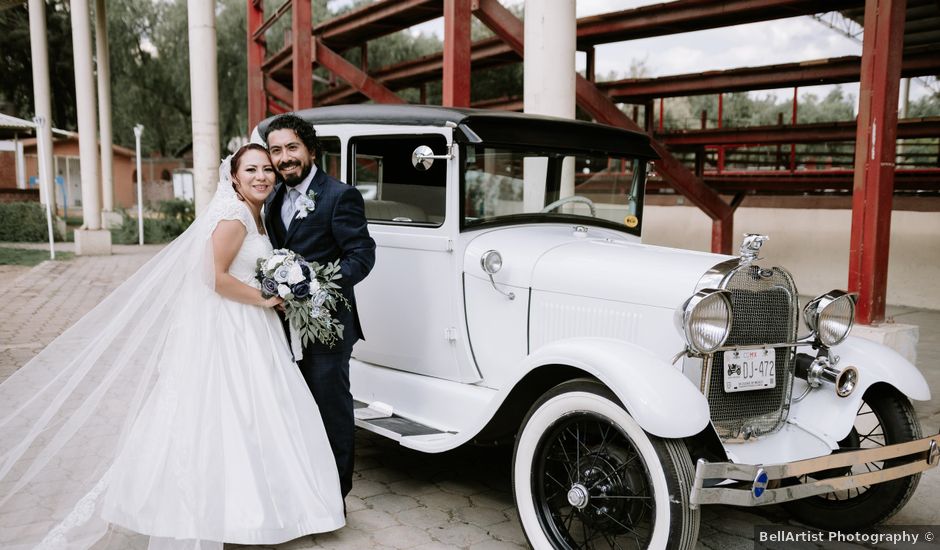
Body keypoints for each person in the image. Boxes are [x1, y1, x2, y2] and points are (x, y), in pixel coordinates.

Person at [0, 144, 345, 550]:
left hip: (250, 324)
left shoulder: (255, 213)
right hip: (234, 324)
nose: (262, 176)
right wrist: (265, 298)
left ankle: (263, 509)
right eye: (251, 169)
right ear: (233, 176)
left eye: (267, 169)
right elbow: (212, 277)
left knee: (254, 412)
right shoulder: (234, 216)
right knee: (232, 411)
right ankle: (229, 511)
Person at [262, 113, 375, 498]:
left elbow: (361, 255)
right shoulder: (273, 196)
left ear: (310, 150)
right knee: (296, 409)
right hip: (282, 326)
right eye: (276, 150)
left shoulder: (339, 195)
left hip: (327, 326)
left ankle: (335, 495)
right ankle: (305, 492)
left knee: (331, 411)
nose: (284, 157)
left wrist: (312, 286)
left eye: (291, 147)